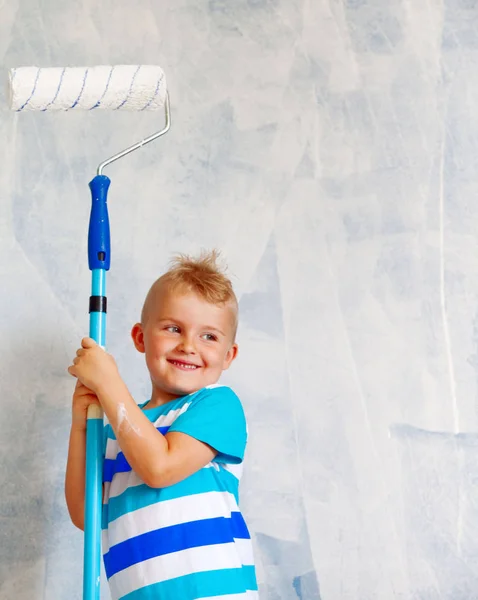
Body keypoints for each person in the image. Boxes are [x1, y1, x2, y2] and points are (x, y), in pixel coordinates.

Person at [65, 250, 258, 599]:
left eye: (209, 336)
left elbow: (159, 466)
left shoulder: (216, 405)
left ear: (229, 355)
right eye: (173, 328)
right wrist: (82, 423)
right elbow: (85, 515)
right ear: (140, 338)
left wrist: (110, 384)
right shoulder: (116, 430)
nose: (188, 346)